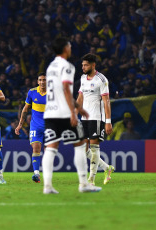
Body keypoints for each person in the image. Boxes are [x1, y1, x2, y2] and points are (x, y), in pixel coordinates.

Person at [42, 37, 102, 194]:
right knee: (80, 145)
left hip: (50, 112)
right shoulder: (67, 66)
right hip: (64, 113)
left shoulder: (50, 67)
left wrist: (79, 108)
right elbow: (66, 90)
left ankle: (47, 186)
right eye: (68, 45)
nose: (70, 47)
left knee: (50, 148)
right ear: (64, 48)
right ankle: (83, 183)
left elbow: (59, 91)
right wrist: (73, 113)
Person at [76, 53, 115, 185]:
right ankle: (106, 168)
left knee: (94, 147)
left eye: (86, 65)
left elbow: (106, 101)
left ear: (93, 65)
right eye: (82, 65)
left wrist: (108, 122)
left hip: (96, 118)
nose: (83, 67)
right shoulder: (82, 78)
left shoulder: (101, 79)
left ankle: (91, 179)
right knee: (83, 149)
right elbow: (80, 98)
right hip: (84, 118)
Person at [15, 73, 46, 183]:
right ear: (38, 81)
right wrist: (20, 125)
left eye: (44, 80)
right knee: (36, 148)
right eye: (40, 80)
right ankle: (36, 174)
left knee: (49, 151)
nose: (42, 82)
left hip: (49, 126)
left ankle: (47, 173)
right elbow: (25, 109)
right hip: (35, 126)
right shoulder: (32, 92)